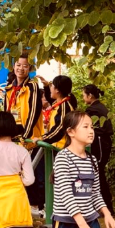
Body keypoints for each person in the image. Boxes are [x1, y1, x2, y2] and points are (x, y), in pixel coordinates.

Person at [29, 75, 76, 218]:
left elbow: (59, 129)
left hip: (60, 149)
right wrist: (45, 84)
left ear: (58, 90)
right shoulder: (60, 103)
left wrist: (42, 139)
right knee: (47, 178)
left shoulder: (65, 107)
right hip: (54, 148)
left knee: (54, 181)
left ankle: (54, 210)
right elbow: (51, 100)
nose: (50, 89)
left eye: (52, 86)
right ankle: (48, 209)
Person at [83, 84, 114, 216]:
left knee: (98, 173)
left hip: (100, 143)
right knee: (98, 173)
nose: (83, 98)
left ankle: (107, 207)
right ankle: (104, 207)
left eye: (84, 95)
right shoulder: (99, 107)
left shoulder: (93, 110)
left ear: (90, 96)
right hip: (102, 143)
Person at [5, 55, 43, 143]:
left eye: (25, 66)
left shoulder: (32, 86)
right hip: (13, 134)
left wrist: (25, 135)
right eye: (18, 65)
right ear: (14, 66)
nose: (21, 68)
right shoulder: (9, 88)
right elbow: (6, 112)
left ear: (29, 68)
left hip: (29, 136)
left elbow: (34, 111)